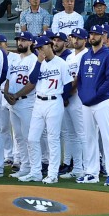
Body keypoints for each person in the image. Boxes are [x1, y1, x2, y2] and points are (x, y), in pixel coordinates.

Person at [75, 24, 109, 186]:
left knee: (107, 137)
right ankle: (91, 172)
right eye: (91, 34)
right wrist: (82, 95)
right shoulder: (85, 55)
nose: (93, 37)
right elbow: (80, 79)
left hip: (102, 102)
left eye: (96, 34)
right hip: (87, 102)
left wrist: (96, 95)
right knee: (88, 138)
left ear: (103, 37)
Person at [24, 35, 70, 184]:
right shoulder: (38, 63)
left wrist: (63, 100)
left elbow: (68, 84)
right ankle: (35, 172)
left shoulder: (61, 63)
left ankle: (52, 174)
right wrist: (38, 62)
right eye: (37, 49)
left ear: (50, 46)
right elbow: (32, 80)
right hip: (39, 101)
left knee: (52, 139)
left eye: (41, 47)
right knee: (32, 138)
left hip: (54, 101)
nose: (39, 51)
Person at [2, 31, 38, 181]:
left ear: (31, 43)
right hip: (14, 103)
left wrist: (15, 96)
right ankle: (24, 167)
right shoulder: (15, 60)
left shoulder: (34, 59)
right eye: (18, 40)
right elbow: (8, 79)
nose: (20, 43)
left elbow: (32, 82)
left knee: (29, 137)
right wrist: (6, 94)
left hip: (27, 101)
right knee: (18, 137)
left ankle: (34, 168)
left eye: (24, 40)